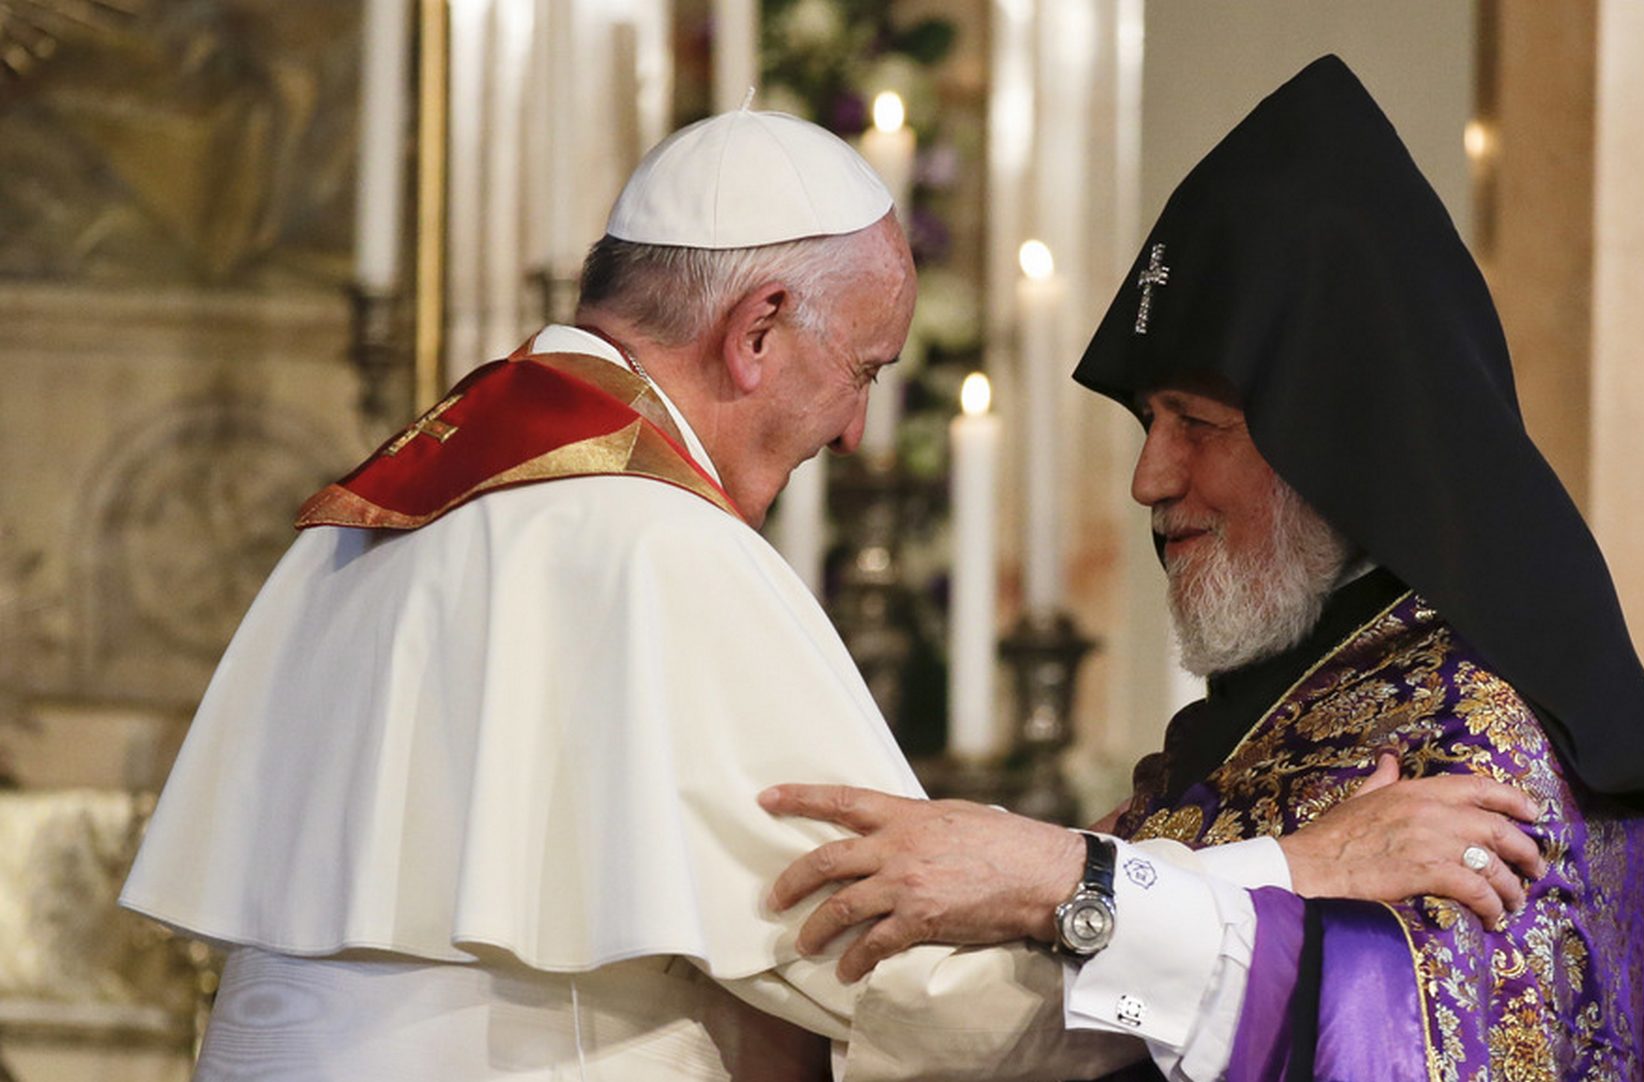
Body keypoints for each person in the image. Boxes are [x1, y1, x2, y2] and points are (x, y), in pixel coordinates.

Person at [120, 100, 1541, 1081]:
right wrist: (1278, 878)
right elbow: (922, 994)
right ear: (757, 332)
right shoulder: (651, 550)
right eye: (860, 372)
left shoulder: (380, 509)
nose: (859, 432)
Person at [762, 55, 1644, 1081]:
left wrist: (1060, 874)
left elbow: (1400, 1046)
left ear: (1338, 443)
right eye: (1150, 422)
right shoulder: (1288, 695)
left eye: (1197, 424)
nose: (1149, 479)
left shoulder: (1474, 744)